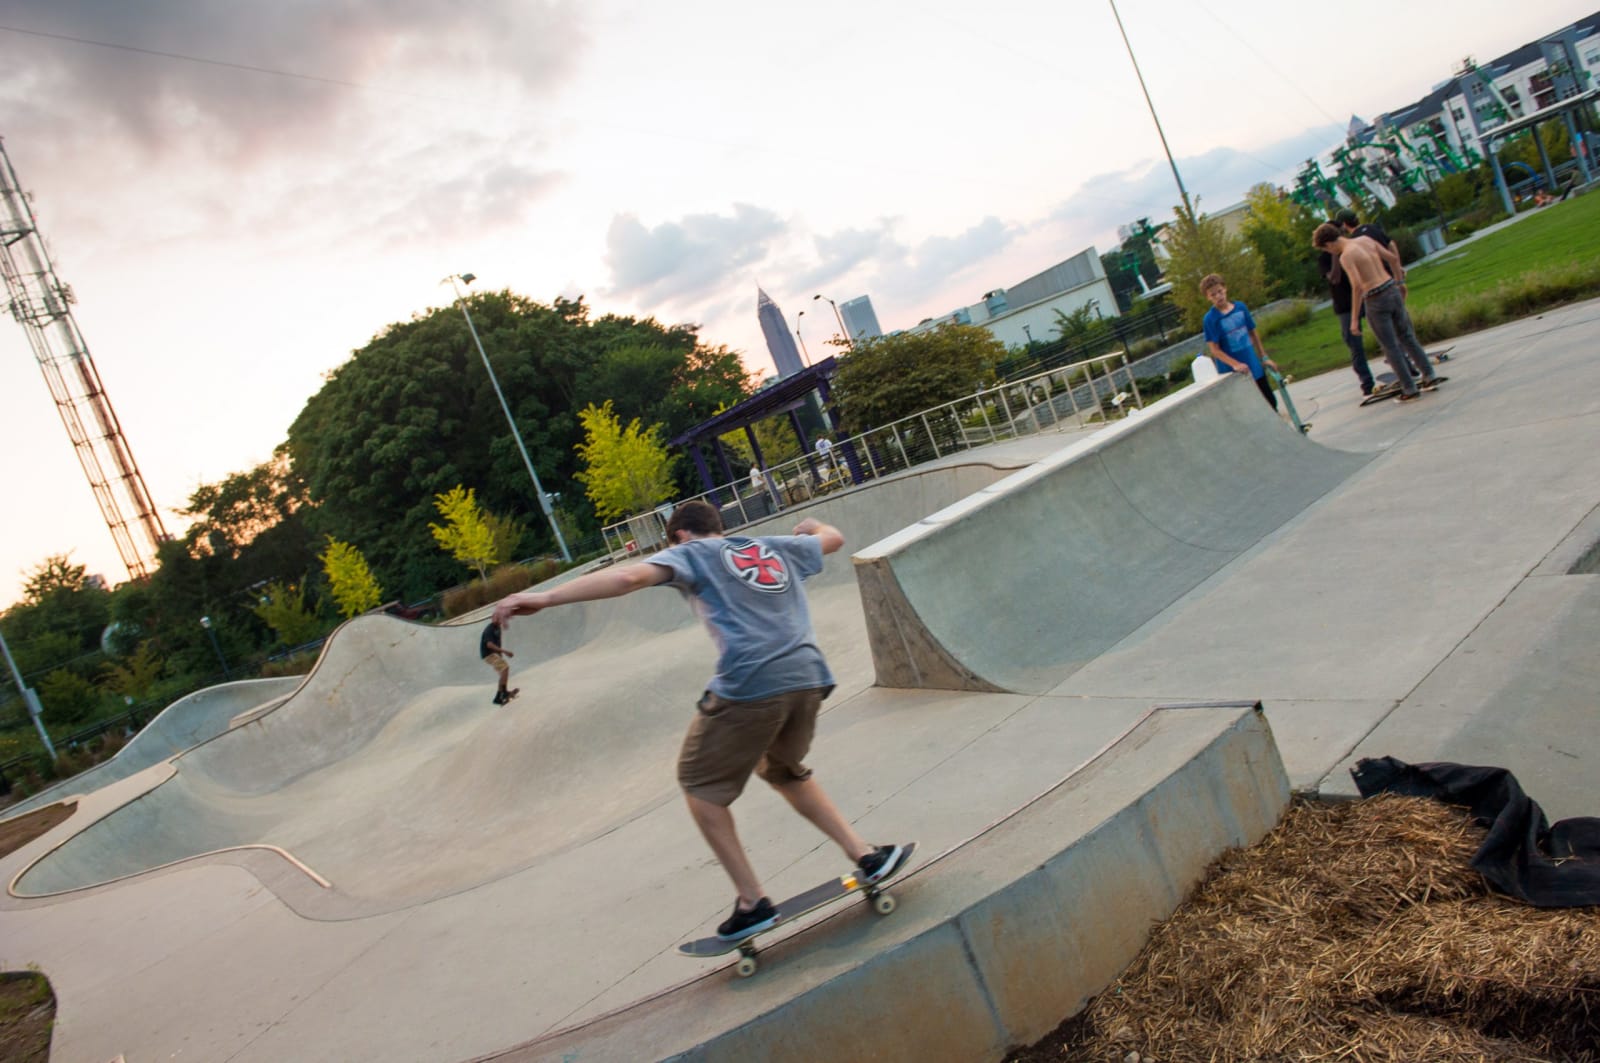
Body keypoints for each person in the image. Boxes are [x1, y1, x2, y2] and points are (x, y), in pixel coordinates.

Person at [492, 500, 909, 942]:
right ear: (719, 527)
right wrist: (812, 525)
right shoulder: (774, 547)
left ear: (682, 537)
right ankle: (866, 855)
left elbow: (628, 576)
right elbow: (833, 539)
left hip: (751, 681)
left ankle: (752, 903)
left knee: (699, 785)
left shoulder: (690, 554)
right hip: (809, 676)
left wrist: (544, 597)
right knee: (785, 771)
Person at [1312, 222, 1444, 404]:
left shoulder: (1346, 256)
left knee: (1390, 347)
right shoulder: (1365, 240)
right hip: (1391, 289)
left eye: (1327, 250)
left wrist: (1354, 320)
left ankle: (1409, 388)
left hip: (1375, 298)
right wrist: (1399, 283)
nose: (1330, 253)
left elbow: (1357, 286)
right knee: (1407, 336)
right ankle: (1428, 374)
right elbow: (1392, 258)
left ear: (1328, 244)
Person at [1335, 209, 1437, 379]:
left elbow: (1357, 284)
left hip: (1376, 289)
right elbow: (1392, 248)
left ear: (1345, 225)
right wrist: (1399, 277)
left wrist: (1354, 320)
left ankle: (1406, 373)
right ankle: (1424, 369)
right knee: (1405, 330)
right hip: (1391, 283)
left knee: (1390, 340)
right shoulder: (1372, 229)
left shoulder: (1355, 243)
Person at [1199, 274, 1279, 410]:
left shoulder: (1240, 308)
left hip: (1252, 364)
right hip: (1232, 371)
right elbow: (1215, 350)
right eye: (1213, 295)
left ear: (1225, 289)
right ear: (1208, 297)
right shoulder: (1210, 319)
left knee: (1270, 402)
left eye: (1220, 291)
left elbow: (1253, 333)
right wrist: (1235, 364)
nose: (1218, 296)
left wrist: (1264, 357)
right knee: (1247, 408)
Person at [1318, 234, 1377, 396]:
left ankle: (1407, 368)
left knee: (1385, 334)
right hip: (1345, 306)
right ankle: (1367, 382)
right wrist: (1335, 256)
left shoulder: (1352, 249)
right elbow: (1334, 278)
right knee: (1354, 344)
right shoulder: (1324, 258)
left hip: (1366, 297)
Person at [479, 620, 518, 705]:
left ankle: (498, 698)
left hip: (493, 654)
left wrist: (500, 655)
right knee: (505, 668)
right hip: (488, 654)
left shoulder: (498, 628)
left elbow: (498, 643)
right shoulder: (489, 629)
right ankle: (504, 693)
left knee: (503, 672)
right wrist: (505, 652)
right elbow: (489, 645)